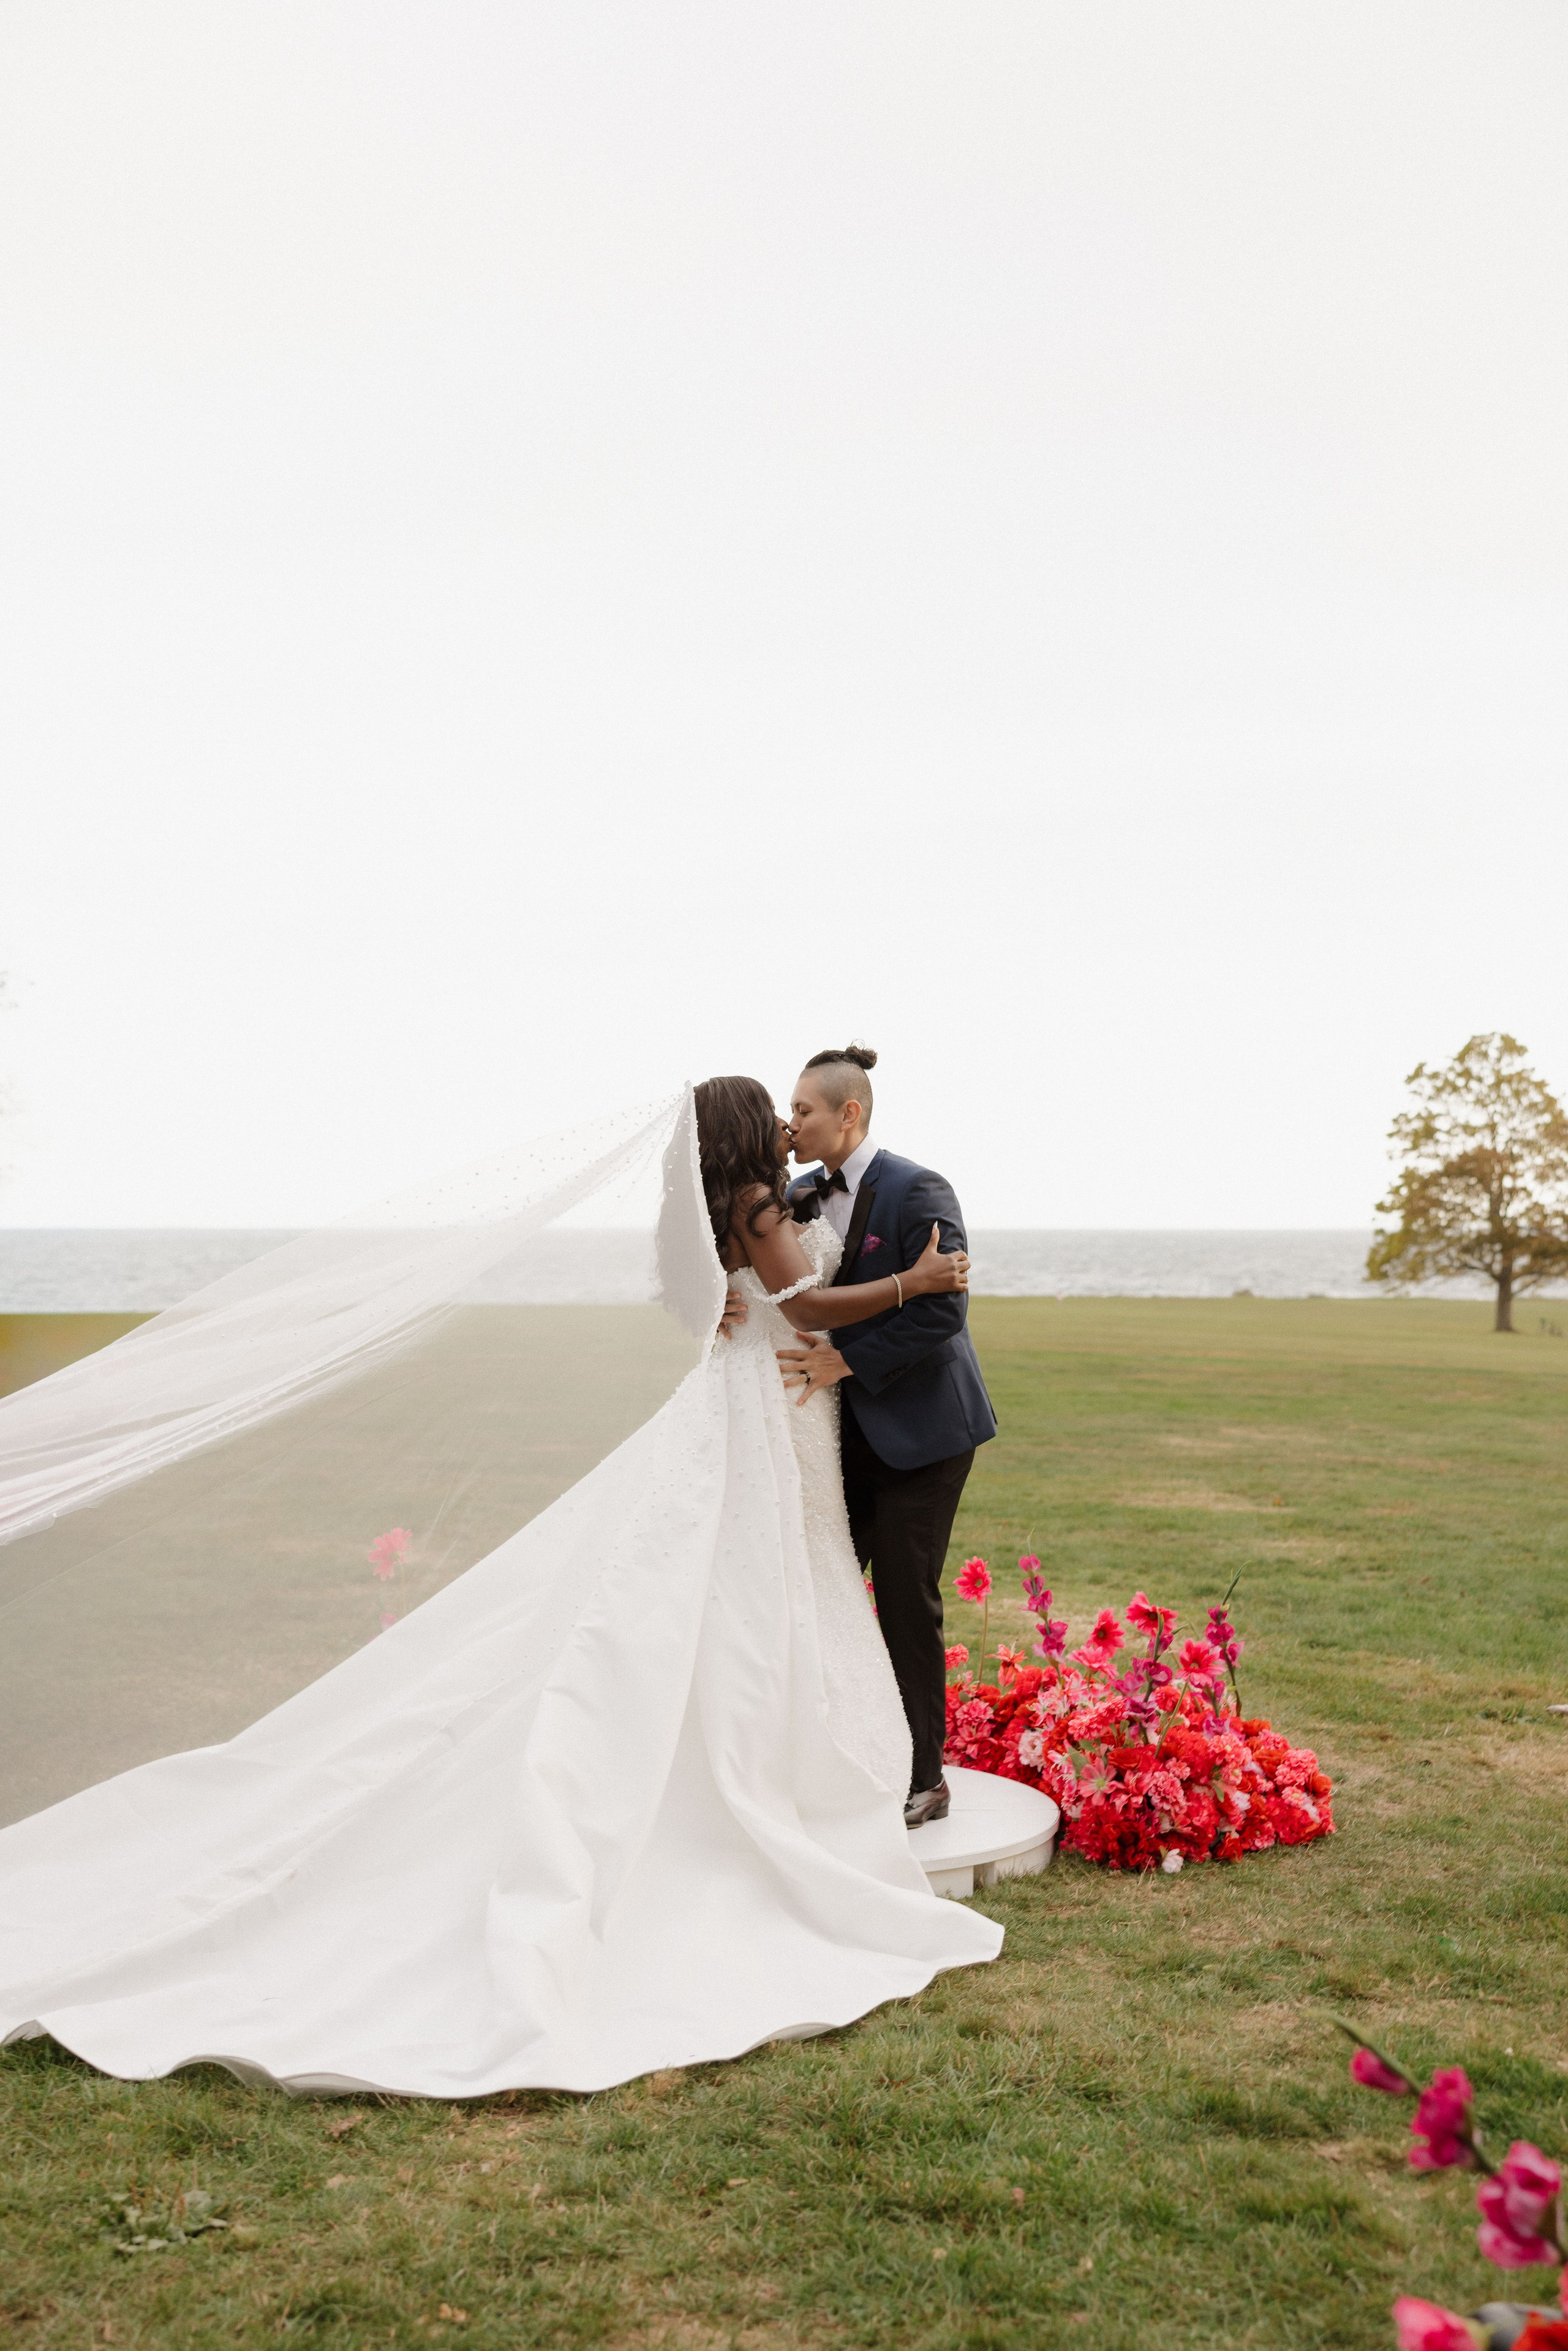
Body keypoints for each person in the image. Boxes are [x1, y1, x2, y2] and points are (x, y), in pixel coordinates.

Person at [0, 1081, 1000, 2100]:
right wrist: (912, 1285)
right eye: (773, 1111)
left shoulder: (703, 1207)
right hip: (759, 1407)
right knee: (750, 1578)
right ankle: (766, 1759)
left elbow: (717, 1304)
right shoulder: (751, 1202)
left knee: (729, 1575)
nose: (788, 1126)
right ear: (746, 1132)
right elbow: (811, 1304)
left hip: (742, 1396)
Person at [780, 1046, 997, 1828]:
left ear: (850, 1113)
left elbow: (943, 1311)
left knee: (907, 1601)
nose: (790, 1121)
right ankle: (842, 1753)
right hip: (842, 1437)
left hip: (924, 1433)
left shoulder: (919, 1189)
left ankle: (924, 1779)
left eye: (802, 1109)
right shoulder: (797, 1195)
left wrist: (846, 1359)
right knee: (825, 1588)